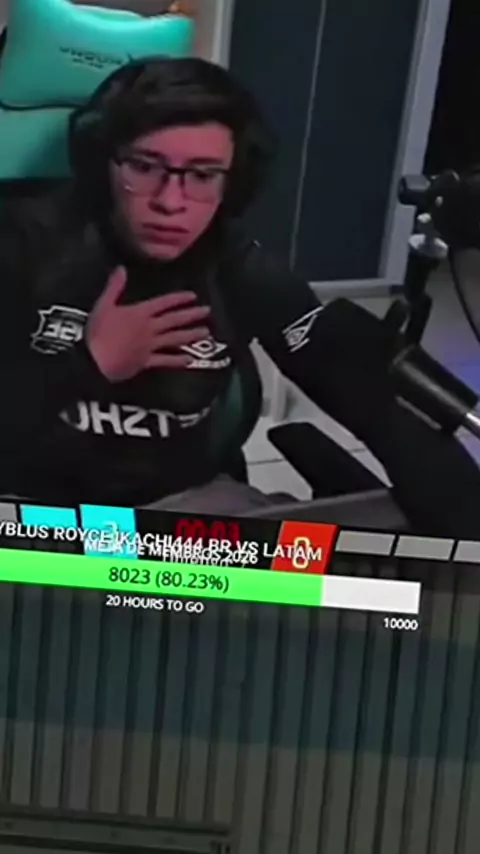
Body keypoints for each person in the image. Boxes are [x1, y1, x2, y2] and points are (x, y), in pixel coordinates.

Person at [0, 56, 480, 536]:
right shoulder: (21, 241)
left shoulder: (242, 269)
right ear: (101, 162)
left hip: (184, 514)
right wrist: (89, 363)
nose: (170, 202)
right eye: (144, 167)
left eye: (203, 175)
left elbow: (369, 399)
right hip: (30, 507)